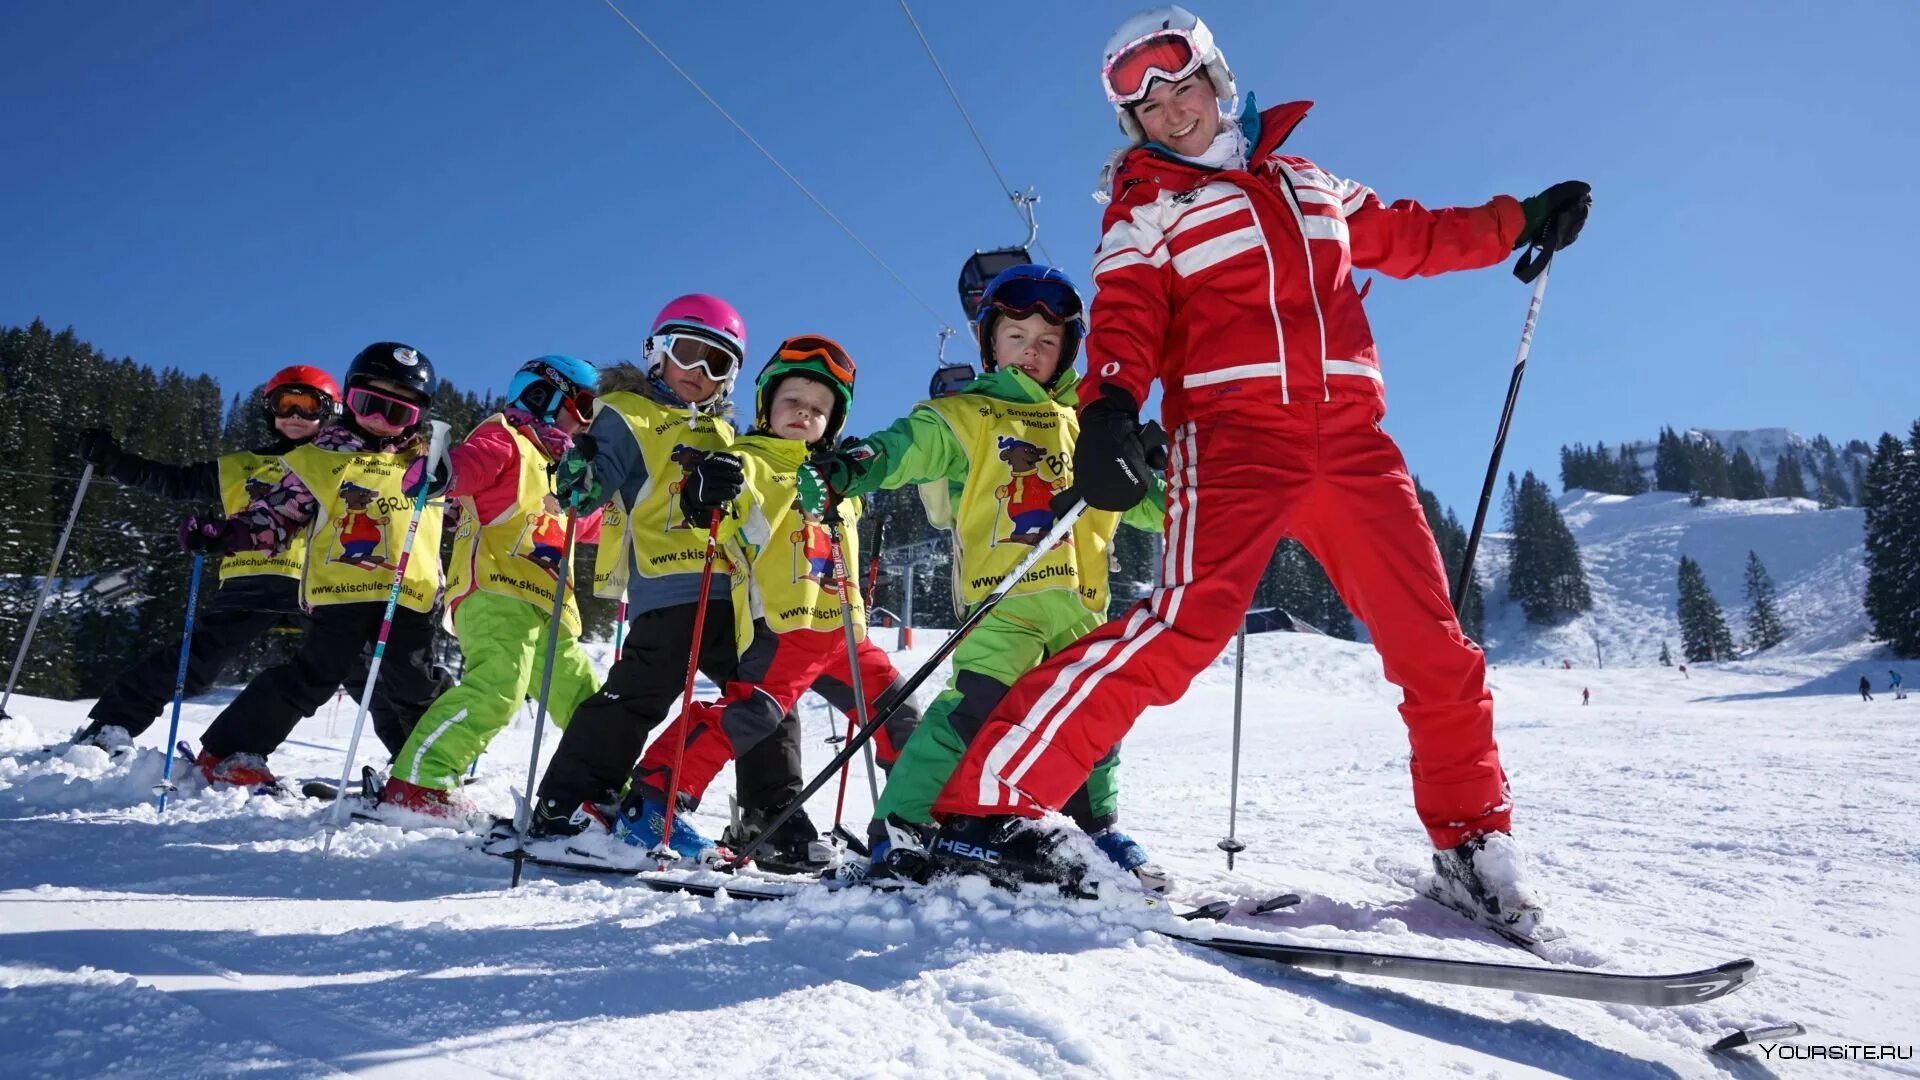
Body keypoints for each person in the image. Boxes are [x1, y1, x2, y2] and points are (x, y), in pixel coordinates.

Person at [926, 5, 1589, 937]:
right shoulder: (1144, 208)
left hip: (1355, 441)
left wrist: (1520, 219)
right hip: (1233, 442)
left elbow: (1416, 234)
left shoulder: (1311, 182)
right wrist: (1112, 404)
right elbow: (1125, 317)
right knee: (1177, 633)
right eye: (1139, 100)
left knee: (1434, 643)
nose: (1166, 107)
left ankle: (1471, 841)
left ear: (1216, 76)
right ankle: (985, 807)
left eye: (1177, 79)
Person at [808, 265, 1169, 888]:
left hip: (1082, 608)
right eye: (1016, 335)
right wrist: (853, 465)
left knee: (1095, 720)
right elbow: (906, 446)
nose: (1032, 350)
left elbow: (1150, 506)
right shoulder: (971, 414)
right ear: (990, 345)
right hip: (1005, 601)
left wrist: (1165, 475)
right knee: (972, 711)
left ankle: (1096, 829)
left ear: (1068, 352)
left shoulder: (1091, 425)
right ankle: (902, 826)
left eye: (1048, 341)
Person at [530, 297, 828, 872]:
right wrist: (581, 468)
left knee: (766, 698)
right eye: (689, 355)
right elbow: (588, 488)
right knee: (645, 688)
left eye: (719, 364)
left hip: (737, 592)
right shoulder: (628, 413)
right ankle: (569, 801)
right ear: (657, 352)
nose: (700, 373)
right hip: (671, 586)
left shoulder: (725, 430)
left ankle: (771, 814)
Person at [611, 336, 919, 862]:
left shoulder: (841, 481)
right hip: (784, 625)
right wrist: (703, 488)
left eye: (819, 409)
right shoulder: (750, 462)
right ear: (766, 406)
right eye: (792, 402)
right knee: (749, 714)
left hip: (845, 635)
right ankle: (652, 800)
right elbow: (716, 504)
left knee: (901, 713)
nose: (805, 413)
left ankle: (909, 822)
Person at [176, 343, 447, 786]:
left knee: (415, 683)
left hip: (410, 594)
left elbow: (463, 514)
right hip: (341, 592)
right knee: (314, 676)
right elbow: (277, 513)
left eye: (396, 413)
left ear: (417, 418)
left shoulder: (429, 465)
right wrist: (226, 534)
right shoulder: (320, 457)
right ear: (349, 399)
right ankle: (229, 752)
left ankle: (427, 774)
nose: (379, 419)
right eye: (367, 404)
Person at [68, 366, 376, 750]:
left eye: (308, 405)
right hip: (254, 581)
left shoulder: (350, 465)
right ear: (269, 410)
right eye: (285, 405)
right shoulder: (240, 466)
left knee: (364, 669)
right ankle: (108, 728)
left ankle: (418, 761)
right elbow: (176, 482)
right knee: (194, 662)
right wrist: (115, 462)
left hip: (321, 585)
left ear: (332, 411)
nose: (295, 416)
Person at [380, 356, 603, 816]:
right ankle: (420, 782)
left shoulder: (567, 469)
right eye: (582, 405)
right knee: (499, 688)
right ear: (543, 397)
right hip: (495, 589)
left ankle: (601, 790)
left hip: (549, 604)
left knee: (586, 700)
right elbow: (464, 467)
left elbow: (597, 523)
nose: (587, 420)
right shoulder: (505, 437)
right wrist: (436, 473)